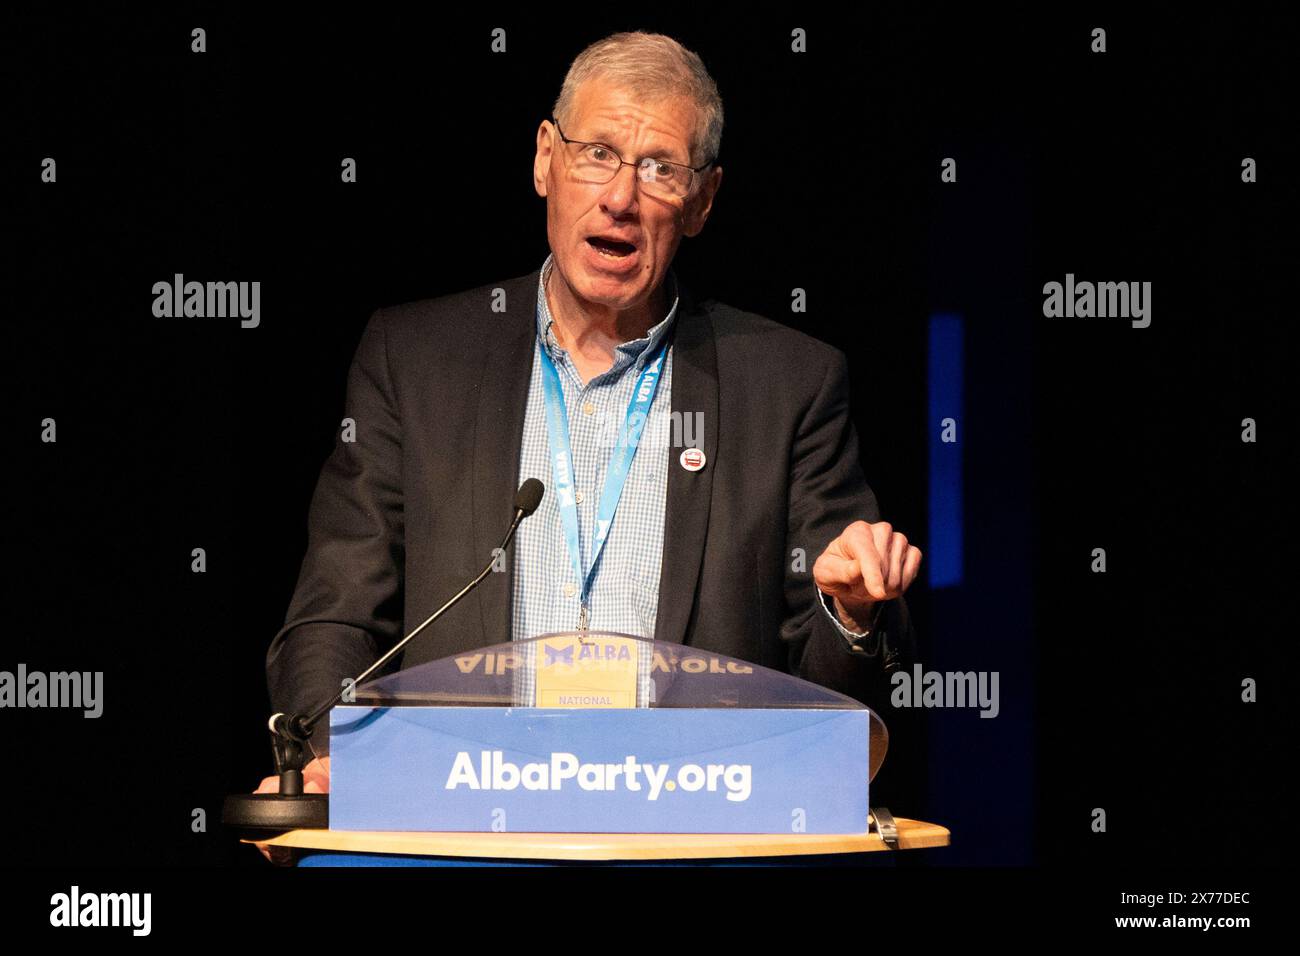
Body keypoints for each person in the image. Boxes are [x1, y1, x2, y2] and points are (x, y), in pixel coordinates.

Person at [254, 32, 922, 842]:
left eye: (660, 169)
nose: (620, 198)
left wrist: (851, 612)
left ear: (704, 201)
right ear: (544, 160)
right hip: (460, 836)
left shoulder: (788, 386)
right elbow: (335, 621)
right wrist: (330, 752)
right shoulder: (416, 361)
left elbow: (833, 706)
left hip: (693, 847)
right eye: (598, 153)